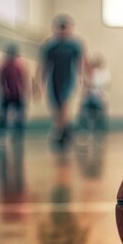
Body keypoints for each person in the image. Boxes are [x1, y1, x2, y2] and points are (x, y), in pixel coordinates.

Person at [38, 15, 84, 147]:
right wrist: (39, 83)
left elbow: (80, 62)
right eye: (61, 28)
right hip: (54, 79)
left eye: (66, 28)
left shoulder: (74, 45)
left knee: (64, 104)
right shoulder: (51, 45)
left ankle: (61, 131)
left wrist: (84, 79)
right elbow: (44, 66)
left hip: (68, 78)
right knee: (56, 107)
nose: (63, 31)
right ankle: (65, 129)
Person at [0, 44, 29, 141]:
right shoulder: (3, 66)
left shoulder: (19, 66)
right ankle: (1, 132)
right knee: (3, 113)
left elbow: (23, 79)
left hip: (17, 93)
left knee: (20, 113)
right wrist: (6, 90)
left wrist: (23, 91)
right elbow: (1, 80)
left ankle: (19, 132)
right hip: (7, 94)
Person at [78, 53, 111, 137]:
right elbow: (84, 85)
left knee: (100, 113)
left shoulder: (105, 73)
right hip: (89, 97)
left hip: (99, 98)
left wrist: (90, 85)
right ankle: (83, 131)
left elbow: (101, 85)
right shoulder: (88, 73)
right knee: (84, 110)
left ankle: (99, 132)